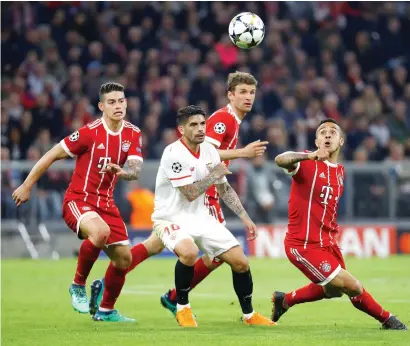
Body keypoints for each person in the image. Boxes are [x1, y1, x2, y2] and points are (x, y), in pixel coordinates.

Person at [89, 72, 268, 316]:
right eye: (243, 92)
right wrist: (242, 153)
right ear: (230, 95)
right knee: (220, 254)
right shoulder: (222, 120)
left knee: (153, 244)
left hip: (201, 190)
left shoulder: (234, 121)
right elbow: (207, 152)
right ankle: (175, 298)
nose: (248, 97)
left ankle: (106, 283)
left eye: (252, 92)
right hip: (203, 194)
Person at [12, 82, 148, 323]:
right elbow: (52, 154)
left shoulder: (133, 133)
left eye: (121, 101)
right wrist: (27, 185)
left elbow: (135, 170)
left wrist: (123, 172)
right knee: (100, 231)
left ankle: (106, 311)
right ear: (101, 106)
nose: (118, 106)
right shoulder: (89, 132)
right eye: (112, 102)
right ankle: (78, 285)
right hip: (79, 200)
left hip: (106, 204)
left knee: (124, 259)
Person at [270, 118, 407, 330]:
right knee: (352, 286)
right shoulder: (307, 164)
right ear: (316, 141)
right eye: (322, 132)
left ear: (341, 141)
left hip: (327, 243)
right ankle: (388, 320)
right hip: (303, 245)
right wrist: (309, 155)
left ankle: (285, 300)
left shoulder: (340, 172)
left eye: (332, 132)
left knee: (332, 290)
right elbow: (280, 159)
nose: (327, 134)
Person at [152, 105, 274, 327]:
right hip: (170, 217)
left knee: (240, 262)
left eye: (202, 124)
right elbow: (189, 193)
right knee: (189, 253)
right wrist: (214, 175)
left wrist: (245, 218)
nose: (200, 129)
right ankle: (182, 308)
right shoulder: (173, 153)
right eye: (193, 125)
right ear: (181, 129)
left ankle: (249, 315)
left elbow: (223, 188)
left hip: (201, 217)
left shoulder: (208, 150)